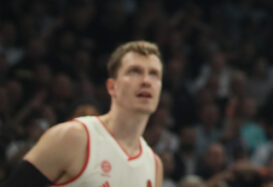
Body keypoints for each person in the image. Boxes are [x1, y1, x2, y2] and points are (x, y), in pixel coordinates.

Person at [4, 41, 163, 187]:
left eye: (154, 74)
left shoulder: (154, 166)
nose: (146, 81)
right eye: (135, 71)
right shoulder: (73, 137)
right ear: (111, 87)